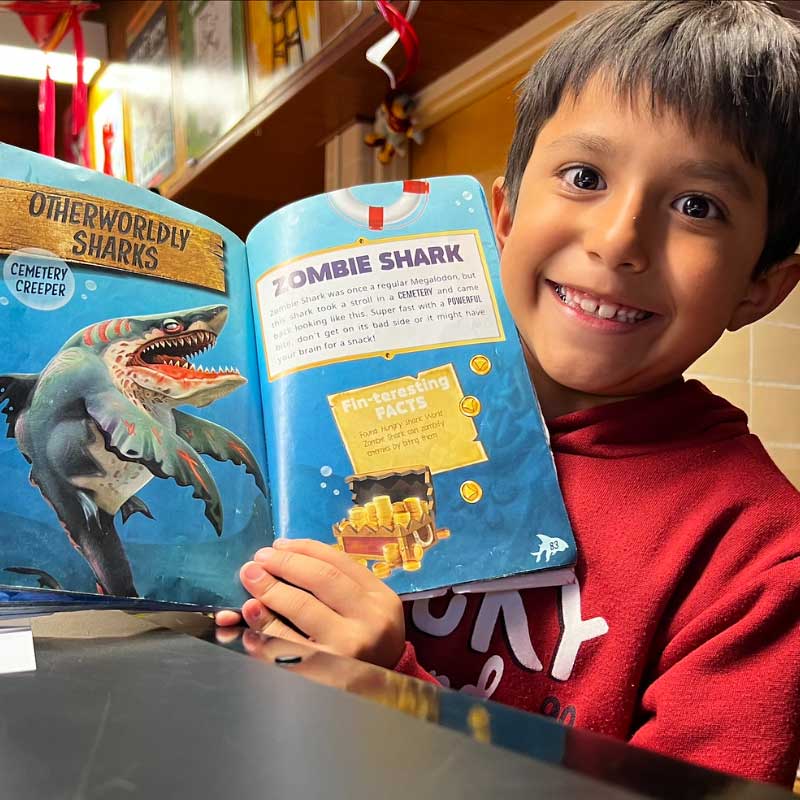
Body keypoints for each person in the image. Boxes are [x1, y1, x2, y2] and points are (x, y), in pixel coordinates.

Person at [217, 0, 800, 786]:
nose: (618, 240)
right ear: (502, 213)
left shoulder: (759, 558)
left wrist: (391, 696)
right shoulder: (370, 412)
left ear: (761, 287)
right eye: (585, 176)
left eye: (698, 206)